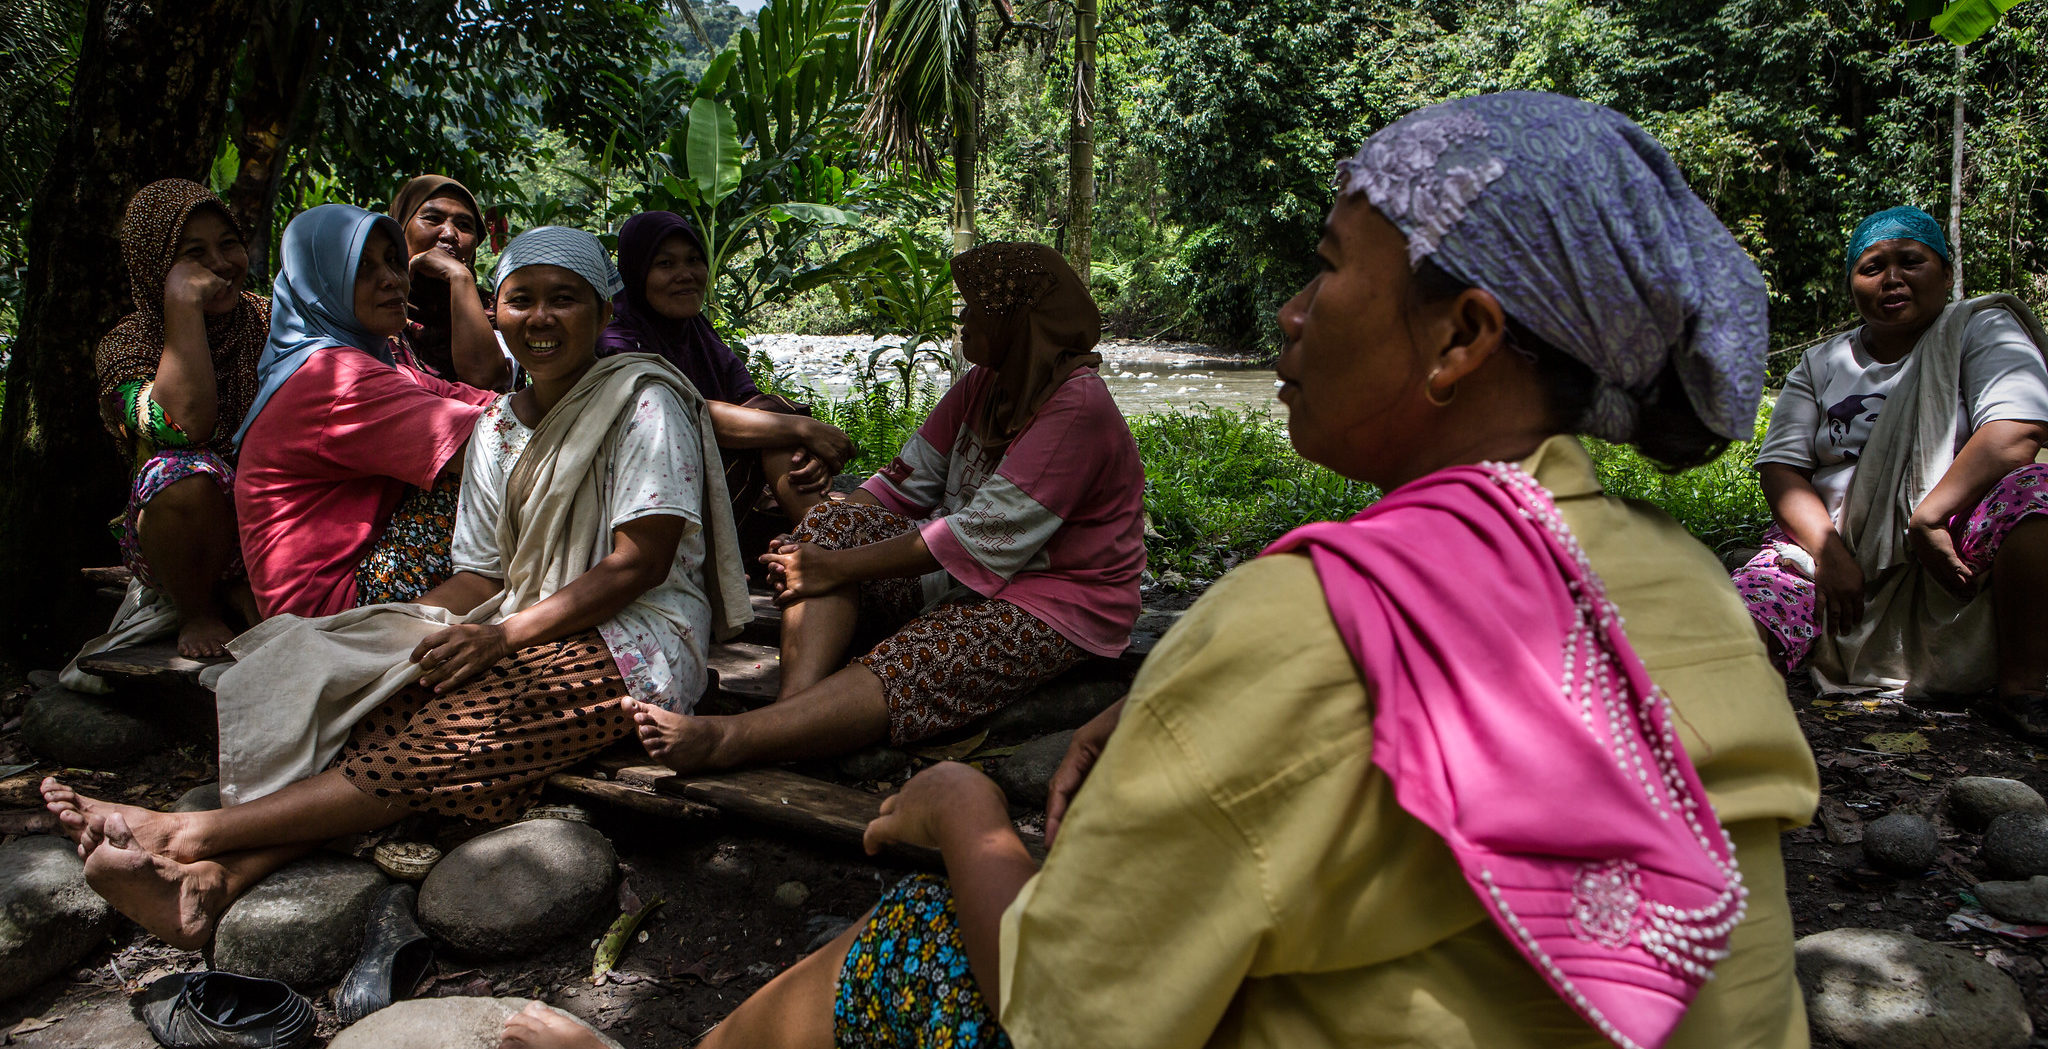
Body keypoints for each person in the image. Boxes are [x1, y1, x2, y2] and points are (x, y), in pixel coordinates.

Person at [500, 93, 1819, 1049]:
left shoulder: (1277, 606)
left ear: (1465, 335)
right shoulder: (1683, 577)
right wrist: (828, 533)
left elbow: (1058, 1004)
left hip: (1042, 616)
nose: (1293, 312)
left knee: (913, 943)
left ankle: (733, 807)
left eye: (1325, 266)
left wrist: (968, 817)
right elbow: (905, 493)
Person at [42, 226, 749, 952]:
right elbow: (482, 574)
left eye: (565, 301)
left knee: (467, 725)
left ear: (603, 315)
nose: (541, 319)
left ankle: (192, 832)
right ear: (497, 316)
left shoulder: (643, 400)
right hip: (524, 617)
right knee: (388, 701)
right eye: (522, 300)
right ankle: (213, 885)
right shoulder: (501, 426)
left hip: (640, 635)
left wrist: (497, 635)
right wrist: (395, 634)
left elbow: (641, 562)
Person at [623, 241, 1147, 774]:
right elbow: (900, 486)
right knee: (827, 528)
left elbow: (976, 536)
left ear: (1018, 322)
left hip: (1053, 600)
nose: (962, 320)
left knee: (923, 653)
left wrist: (832, 564)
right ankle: (792, 717)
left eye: (975, 309)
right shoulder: (984, 386)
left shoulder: (1078, 407)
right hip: (963, 575)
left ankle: (731, 739)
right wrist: (825, 537)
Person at [1733, 205, 2048, 737]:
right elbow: (1782, 469)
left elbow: (2016, 432)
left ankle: (2026, 689)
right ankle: (1738, 725)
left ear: (1946, 274)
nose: (1893, 278)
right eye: (1873, 267)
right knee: (1743, 617)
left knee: (2035, 494)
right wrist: (1830, 553)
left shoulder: (1980, 328)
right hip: (1830, 542)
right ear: (1853, 283)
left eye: (1911, 262)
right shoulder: (1820, 364)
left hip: (1952, 539)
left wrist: (1928, 520)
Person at [232, 203, 499, 620]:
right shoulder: (334, 376)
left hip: (356, 578)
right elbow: (496, 446)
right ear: (320, 283)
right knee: (488, 470)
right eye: (362, 269)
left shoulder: (366, 362)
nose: (392, 280)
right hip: (330, 612)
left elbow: (480, 398)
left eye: (394, 262)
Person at [78, 179, 269, 660]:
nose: (221, 265)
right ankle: (198, 607)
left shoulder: (271, 321)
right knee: (181, 477)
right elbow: (183, 425)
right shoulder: (128, 345)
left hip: (275, 511)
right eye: (193, 254)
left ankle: (248, 588)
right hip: (190, 527)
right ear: (155, 265)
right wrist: (183, 304)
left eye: (229, 244)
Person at [599, 210, 853, 524]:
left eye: (693, 260)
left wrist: (801, 451)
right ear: (636, 273)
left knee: (773, 420)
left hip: (718, 485)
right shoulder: (618, 344)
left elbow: (749, 402)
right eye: (665, 264)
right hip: (657, 498)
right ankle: (828, 547)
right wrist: (804, 429)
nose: (685, 274)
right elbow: (686, 414)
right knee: (778, 423)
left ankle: (822, 540)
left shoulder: (698, 334)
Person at [386, 174, 513, 390]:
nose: (449, 234)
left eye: (464, 225)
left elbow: (487, 381)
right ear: (400, 228)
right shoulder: (372, 300)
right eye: (433, 219)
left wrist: (459, 277)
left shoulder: (497, 313)